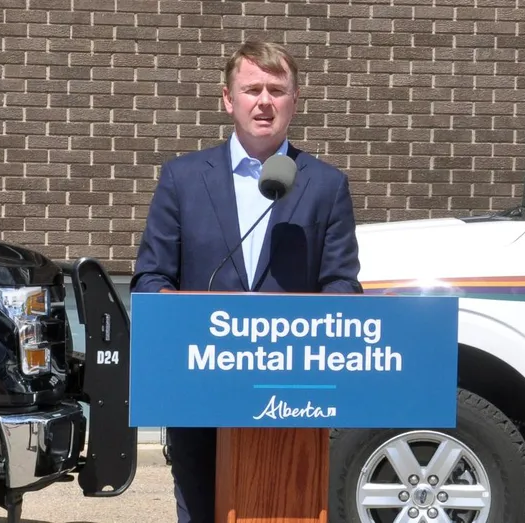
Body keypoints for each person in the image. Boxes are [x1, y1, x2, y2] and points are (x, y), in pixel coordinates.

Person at [130, 39, 363, 523]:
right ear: (227, 99)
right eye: (252, 88)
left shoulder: (325, 185)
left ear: (294, 102)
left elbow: (342, 286)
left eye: (276, 90)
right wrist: (183, 321)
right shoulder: (183, 178)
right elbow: (151, 278)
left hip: (292, 395)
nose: (264, 101)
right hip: (201, 389)